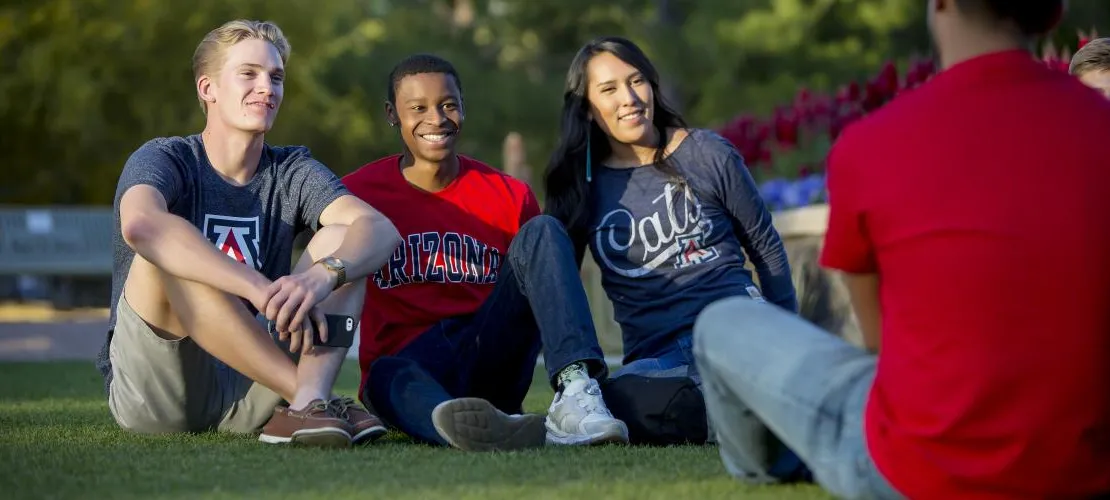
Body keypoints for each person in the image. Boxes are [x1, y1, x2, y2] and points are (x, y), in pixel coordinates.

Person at [694, 0, 1110, 498]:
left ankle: (776, 472)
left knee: (721, 323)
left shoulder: (869, 146)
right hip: (1080, 469)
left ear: (942, 4)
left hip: (916, 474)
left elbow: (880, 346)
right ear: (1053, 14)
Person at [95, 19, 403, 448]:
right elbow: (141, 224)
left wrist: (320, 277)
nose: (268, 88)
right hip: (160, 390)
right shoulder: (167, 158)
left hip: (252, 388)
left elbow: (381, 230)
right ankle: (312, 397)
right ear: (208, 88)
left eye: (276, 77)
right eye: (249, 74)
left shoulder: (291, 169)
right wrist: (258, 288)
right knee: (169, 245)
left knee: (345, 242)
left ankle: (303, 407)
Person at [542, 36, 805, 475]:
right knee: (608, 402)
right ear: (586, 107)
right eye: (608, 89)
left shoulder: (707, 153)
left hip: (733, 331)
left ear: (652, 86)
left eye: (637, 81)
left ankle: (759, 403)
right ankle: (740, 417)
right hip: (661, 363)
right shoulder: (580, 187)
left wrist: (792, 343)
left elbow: (766, 248)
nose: (629, 98)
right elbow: (559, 286)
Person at [341, 53, 629, 452]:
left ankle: (577, 391)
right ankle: (461, 424)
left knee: (543, 229)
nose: (436, 119)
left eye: (448, 105)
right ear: (392, 114)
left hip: (489, 352)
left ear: (464, 108)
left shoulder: (510, 195)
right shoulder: (356, 194)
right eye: (418, 108)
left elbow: (544, 287)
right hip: (409, 367)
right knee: (386, 374)